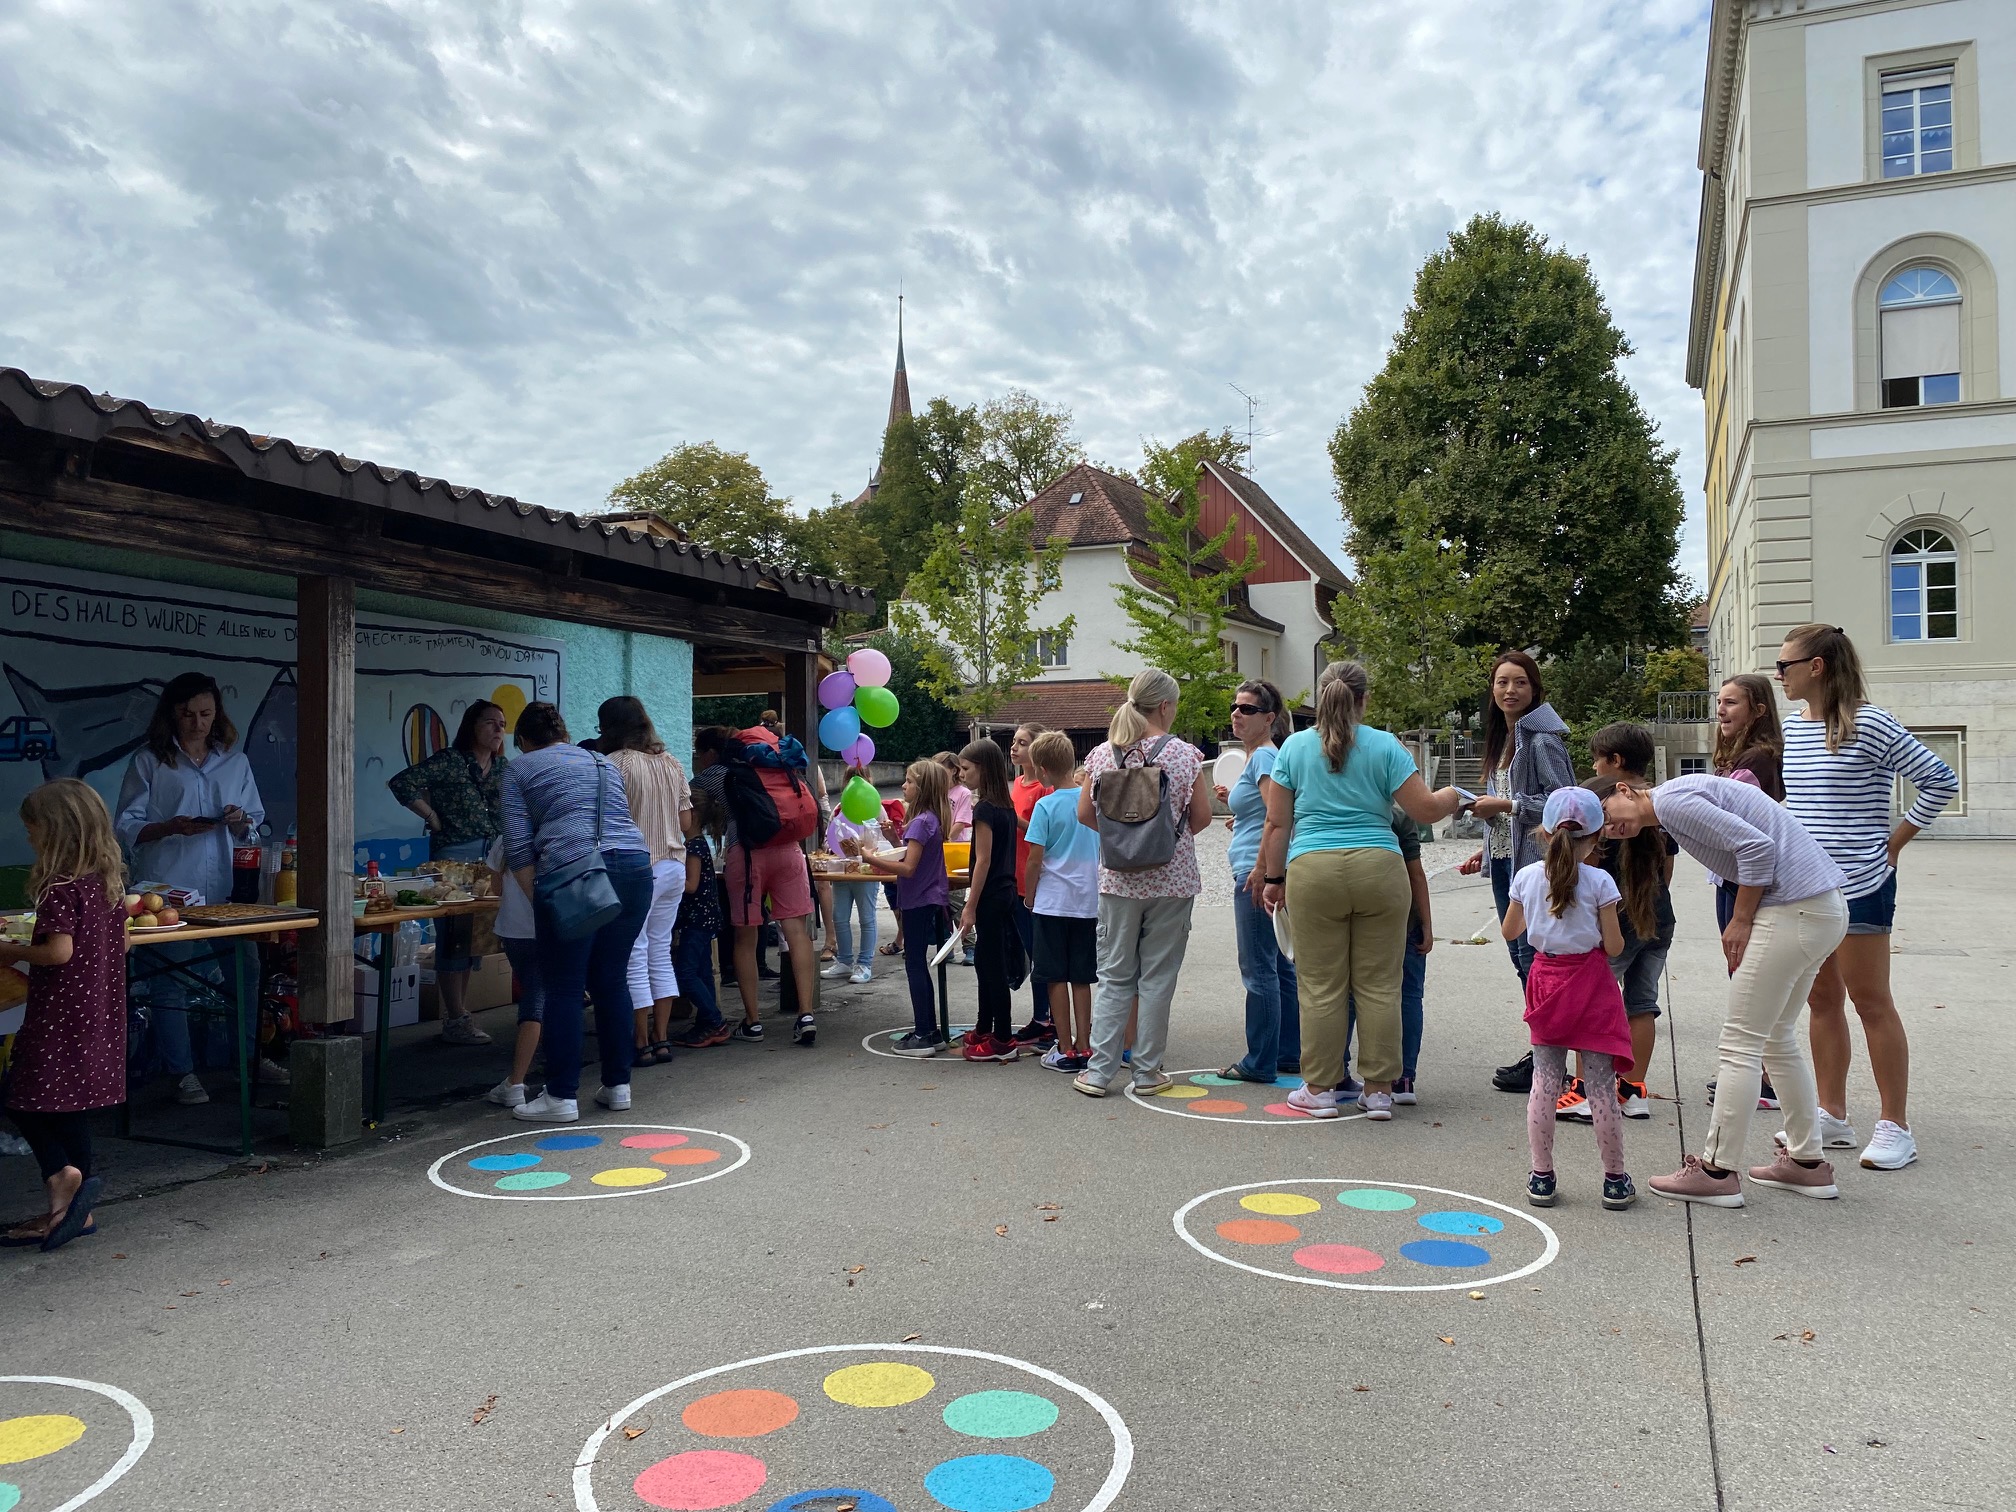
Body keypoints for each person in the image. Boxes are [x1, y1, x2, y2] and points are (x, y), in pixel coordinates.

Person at [1598, 772, 1851, 1207]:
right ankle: (1807, 1164)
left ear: (1623, 789)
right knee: (1775, 1038)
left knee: (1741, 1042)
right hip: (1820, 908)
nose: (1610, 828)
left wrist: (1742, 918)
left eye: (1605, 814)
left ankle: (1717, 1172)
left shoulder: (1672, 803)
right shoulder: (1675, 801)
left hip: (1794, 909)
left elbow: (1757, 847)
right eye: (1601, 829)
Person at [1777, 624, 1957, 1172]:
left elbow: (1940, 780)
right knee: (1821, 1000)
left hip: (1861, 884)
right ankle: (1832, 1113)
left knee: (1871, 1002)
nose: (1779, 675)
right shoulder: (1794, 727)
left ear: (1817, 667)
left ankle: (1895, 1126)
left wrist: (1893, 845)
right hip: (1807, 887)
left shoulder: (1870, 723)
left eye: (1785, 665)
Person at [1257, 662, 1469, 1120]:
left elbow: (1276, 823)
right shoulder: (1386, 745)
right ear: (1364, 699)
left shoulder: (1293, 747)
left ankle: (1320, 1089)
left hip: (1314, 870)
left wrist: (1274, 879)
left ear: (1321, 696)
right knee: (1380, 985)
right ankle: (1379, 1091)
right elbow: (1425, 810)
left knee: (1320, 986)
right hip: (1380, 869)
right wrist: (1457, 794)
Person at [114, 670, 283, 1104]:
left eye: (205, 714)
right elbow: (126, 825)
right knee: (169, 981)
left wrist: (240, 820)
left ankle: (248, 1061)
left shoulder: (235, 761)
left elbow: (254, 824)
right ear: (172, 714)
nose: (197, 723)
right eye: (188, 714)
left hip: (226, 889)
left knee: (245, 973)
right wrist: (170, 827)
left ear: (216, 713)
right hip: (167, 891)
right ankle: (182, 1073)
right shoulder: (150, 761)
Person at [499, 702, 654, 1124]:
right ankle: (617, 1086)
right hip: (635, 867)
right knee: (612, 979)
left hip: (575, 872)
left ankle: (561, 1095)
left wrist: (542, 900)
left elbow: (518, 846)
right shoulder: (602, 762)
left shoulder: (518, 769)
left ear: (523, 740)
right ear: (564, 735)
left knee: (564, 986)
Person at [1071, 670, 1212, 1098]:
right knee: (1157, 979)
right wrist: (1163, 838)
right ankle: (1147, 1072)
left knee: (1115, 977)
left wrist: (1123, 842)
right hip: (1172, 881)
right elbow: (1202, 818)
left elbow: (1084, 815)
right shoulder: (1186, 755)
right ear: (1165, 706)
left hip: (1118, 883)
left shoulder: (1102, 755)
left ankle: (1098, 1072)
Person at [1, 780, 128, 1251]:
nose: (28, 836)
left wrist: (11, 951)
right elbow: (124, 942)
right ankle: (73, 1211)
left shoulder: (59, 889)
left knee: (18, 1097)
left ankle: (60, 1174)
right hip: (97, 1012)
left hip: (58, 1014)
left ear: (54, 832)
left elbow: (58, 952)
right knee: (69, 1105)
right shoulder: (107, 884)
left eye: (32, 828)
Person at [1501, 788, 1634, 1210]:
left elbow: (1509, 931)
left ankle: (1542, 1175)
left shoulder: (1526, 877)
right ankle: (1614, 1179)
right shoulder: (1600, 881)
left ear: (1543, 833)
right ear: (1596, 837)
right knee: (1600, 1086)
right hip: (1591, 986)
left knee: (1545, 1080)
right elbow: (1614, 946)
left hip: (1546, 980)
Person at [1460, 651, 1574, 1095]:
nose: (1510, 690)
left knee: (1534, 963)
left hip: (1535, 868)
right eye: (1502, 682)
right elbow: (1505, 813)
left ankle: (1551, 1062)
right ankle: (1545, 1055)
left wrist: (1507, 804)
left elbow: (1566, 804)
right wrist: (1486, 846)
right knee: (1521, 960)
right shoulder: (1505, 738)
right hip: (1506, 863)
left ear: (1534, 689)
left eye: (1520, 682)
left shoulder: (1542, 740)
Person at [1560, 722, 1676, 1125]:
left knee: (1590, 1004)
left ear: (1615, 760)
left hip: (1613, 923)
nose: (1595, 766)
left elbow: (1587, 867)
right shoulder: (1658, 804)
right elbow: (1667, 868)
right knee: (1642, 1005)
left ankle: (1585, 1091)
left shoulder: (1602, 804)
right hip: (1658, 918)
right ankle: (1633, 1090)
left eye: (1598, 759)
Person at [388, 700, 508, 1047]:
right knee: (454, 934)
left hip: (491, 855)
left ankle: (460, 1014)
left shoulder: (503, 768)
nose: (498, 729)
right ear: (473, 726)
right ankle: (455, 1017)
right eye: (490, 722)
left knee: (474, 938)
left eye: (502, 724)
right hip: (454, 857)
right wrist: (431, 815)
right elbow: (402, 783)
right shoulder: (450, 761)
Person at [688, 726, 816, 1046]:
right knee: (796, 933)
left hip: (746, 853)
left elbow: (683, 799)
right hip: (789, 850)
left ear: (710, 753)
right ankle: (806, 1014)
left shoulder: (715, 774)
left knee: (746, 937)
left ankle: (753, 1022)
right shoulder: (777, 768)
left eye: (698, 754)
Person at [596, 697, 694, 1069]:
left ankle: (639, 1040)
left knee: (634, 951)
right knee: (659, 950)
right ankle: (661, 1037)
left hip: (638, 865)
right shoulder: (671, 762)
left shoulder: (614, 764)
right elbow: (686, 823)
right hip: (673, 865)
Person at [1707, 674, 1787, 1111]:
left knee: (1748, 977)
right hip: (1731, 879)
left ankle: (1765, 1078)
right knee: (1744, 976)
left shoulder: (1758, 759)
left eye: (1732, 702)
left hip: (1745, 882)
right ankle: (1758, 1072)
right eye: (1720, 701)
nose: (1721, 709)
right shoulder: (1741, 755)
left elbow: (1734, 822)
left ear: (1758, 710)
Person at [1215, 679, 1299, 1084]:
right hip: (1261, 864)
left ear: (1269, 718)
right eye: (1235, 707)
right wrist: (1241, 817)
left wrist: (1263, 868)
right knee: (1278, 964)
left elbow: (1279, 814)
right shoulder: (1260, 757)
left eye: (1247, 709)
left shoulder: (1264, 756)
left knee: (1258, 968)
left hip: (1256, 870)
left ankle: (1260, 1061)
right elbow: (1264, 813)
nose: (1237, 713)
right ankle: (1287, 1052)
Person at [863, 759, 953, 1057]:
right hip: (928, 898)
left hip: (918, 899)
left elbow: (909, 868)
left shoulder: (920, 822)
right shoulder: (930, 819)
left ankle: (923, 1033)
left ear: (922, 788)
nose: (903, 786)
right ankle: (930, 1031)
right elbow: (911, 855)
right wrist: (894, 839)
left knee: (915, 964)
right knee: (919, 963)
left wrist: (870, 858)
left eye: (909, 781)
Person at [1023, 732, 1097, 1072]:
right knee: (1082, 977)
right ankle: (1085, 1045)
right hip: (1087, 900)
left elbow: (1035, 858)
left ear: (1042, 769)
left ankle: (1064, 1048)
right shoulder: (1090, 801)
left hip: (1053, 902)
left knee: (1054, 976)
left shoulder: (1045, 805)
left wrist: (1030, 895)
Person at [955, 739, 1023, 1063]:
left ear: (983, 769)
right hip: (1005, 891)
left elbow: (982, 860)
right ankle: (985, 1026)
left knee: (992, 968)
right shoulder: (1005, 806)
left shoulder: (984, 808)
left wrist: (969, 906)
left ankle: (1003, 1038)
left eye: (966, 768)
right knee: (985, 962)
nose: (961, 774)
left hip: (991, 895)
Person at [482, 830, 544, 1109]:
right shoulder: (558, 833)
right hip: (550, 927)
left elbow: (496, 889)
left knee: (535, 997)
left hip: (514, 931)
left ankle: (516, 1082)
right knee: (543, 998)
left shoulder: (506, 838)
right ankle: (519, 1080)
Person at [1007, 722, 1056, 1049]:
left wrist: (1013, 820)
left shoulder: (1043, 788)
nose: (1014, 747)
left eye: (1022, 743)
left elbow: (1044, 833)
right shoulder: (1017, 783)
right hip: (1014, 876)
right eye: (1014, 741)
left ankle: (1047, 1020)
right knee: (1030, 950)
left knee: (1040, 953)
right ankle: (1042, 1016)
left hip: (1032, 878)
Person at [821, 766, 882, 985]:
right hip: (841, 869)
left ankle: (864, 963)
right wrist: (830, 847)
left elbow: (881, 836)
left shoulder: (875, 806)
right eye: (850, 778)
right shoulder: (839, 808)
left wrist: (866, 846)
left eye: (861, 777)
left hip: (866, 871)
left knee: (867, 917)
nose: (856, 783)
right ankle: (845, 961)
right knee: (839, 916)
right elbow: (828, 836)